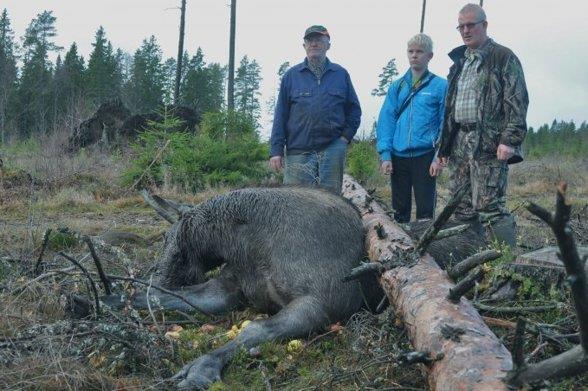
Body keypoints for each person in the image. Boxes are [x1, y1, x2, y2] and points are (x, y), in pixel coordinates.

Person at [438, 3, 529, 247]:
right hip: (460, 141)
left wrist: (510, 140)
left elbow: (517, 100)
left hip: (488, 143)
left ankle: (507, 265)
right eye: (461, 26)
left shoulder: (502, 57)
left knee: (490, 207)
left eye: (471, 25)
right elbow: (450, 108)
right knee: (461, 206)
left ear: (484, 25)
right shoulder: (458, 63)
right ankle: (470, 258)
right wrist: (444, 148)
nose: (466, 31)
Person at [269, 25, 361, 194]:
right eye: (310, 40)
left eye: (319, 40)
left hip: (332, 149)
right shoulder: (291, 76)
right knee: (296, 202)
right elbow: (280, 115)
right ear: (304, 46)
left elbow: (354, 111)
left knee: (331, 203)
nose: (314, 44)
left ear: (328, 45)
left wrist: (344, 139)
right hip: (298, 150)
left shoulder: (340, 74)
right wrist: (276, 150)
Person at [376, 33, 447, 223]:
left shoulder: (440, 85)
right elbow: (386, 121)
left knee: (425, 211)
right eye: (411, 51)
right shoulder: (397, 87)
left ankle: (425, 249)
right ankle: (401, 248)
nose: (414, 55)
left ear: (430, 56)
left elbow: (445, 123)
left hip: (425, 155)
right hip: (398, 156)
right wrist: (385, 154)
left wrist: (438, 157)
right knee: (399, 211)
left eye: (419, 51)